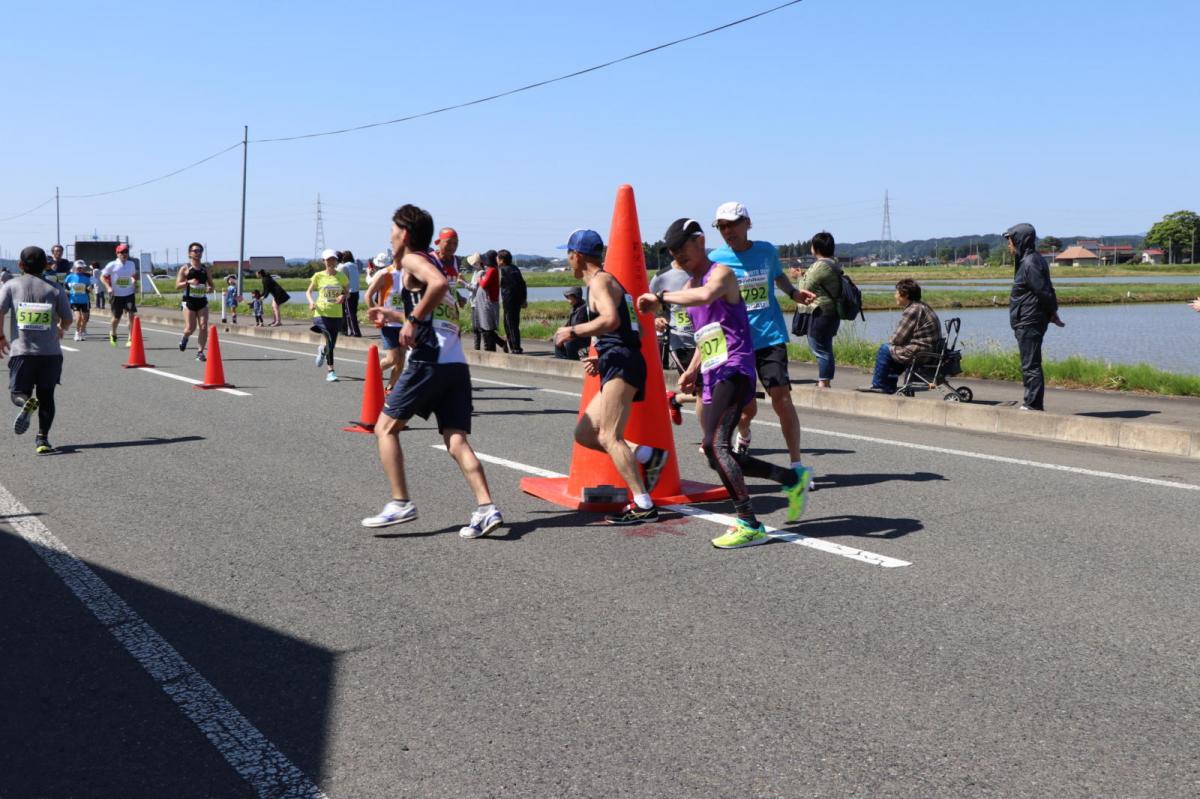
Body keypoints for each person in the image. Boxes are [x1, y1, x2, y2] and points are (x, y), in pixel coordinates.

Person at [637, 219, 811, 548]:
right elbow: (708, 335)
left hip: (736, 368)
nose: (677, 254)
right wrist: (691, 370)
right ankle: (790, 479)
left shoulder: (720, 274)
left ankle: (749, 523)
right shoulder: (692, 280)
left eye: (681, 248)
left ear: (700, 241)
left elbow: (705, 295)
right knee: (714, 449)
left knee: (715, 446)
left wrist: (660, 297)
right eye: (671, 251)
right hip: (714, 370)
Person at [362, 204, 503, 539]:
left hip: (429, 361)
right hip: (455, 364)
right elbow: (439, 314)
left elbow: (437, 286)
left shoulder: (415, 259)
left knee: (385, 429)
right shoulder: (431, 263)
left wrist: (409, 321)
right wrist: (395, 316)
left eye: (392, 231)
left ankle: (400, 502)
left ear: (405, 235)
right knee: (455, 439)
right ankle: (486, 508)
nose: (390, 237)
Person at [551, 229, 668, 525]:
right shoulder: (612, 282)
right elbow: (637, 331)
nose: (568, 262)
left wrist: (572, 330)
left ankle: (643, 504)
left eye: (568, 256)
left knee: (608, 435)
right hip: (620, 360)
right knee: (586, 434)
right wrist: (602, 355)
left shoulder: (600, 282)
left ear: (576, 256)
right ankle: (647, 456)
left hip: (623, 363)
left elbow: (611, 320)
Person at [707, 202, 813, 480]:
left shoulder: (766, 251)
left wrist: (793, 293)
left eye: (732, 224)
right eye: (722, 226)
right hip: (735, 343)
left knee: (782, 397)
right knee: (744, 408)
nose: (727, 231)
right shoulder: (716, 259)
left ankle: (796, 465)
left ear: (748, 223)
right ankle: (742, 435)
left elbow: (777, 275)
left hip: (769, 336)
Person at [0, 246, 72, 455]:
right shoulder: (54, 288)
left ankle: (26, 403)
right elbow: (68, 318)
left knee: (17, 393)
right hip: (50, 354)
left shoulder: (11, 285)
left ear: (21, 265)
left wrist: (1, 337)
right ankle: (42, 439)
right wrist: (61, 328)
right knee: (47, 396)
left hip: (22, 351)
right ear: (46, 266)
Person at [1005, 223, 1064, 411]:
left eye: (1011, 241)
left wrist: (1052, 312)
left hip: (1029, 320)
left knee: (1030, 364)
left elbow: (1044, 291)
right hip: (1028, 319)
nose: (1009, 245)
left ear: (1020, 240)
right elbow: (1046, 290)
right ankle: (1032, 402)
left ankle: (1033, 404)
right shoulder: (1029, 260)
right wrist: (1052, 313)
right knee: (1030, 363)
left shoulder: (1030, 263)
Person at [857, 279, 942, 394]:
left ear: (905, 295)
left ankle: (879, 385)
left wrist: (892, 344)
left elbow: (896, 339)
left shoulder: (912, 310)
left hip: (921, 352)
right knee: (894, 351)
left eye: (896, 293)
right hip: (929, 350)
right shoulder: (921, 306)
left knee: (885, 349)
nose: (895, 295)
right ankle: (888, 386)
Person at [649, 255, 697, 424]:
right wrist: (657, 318)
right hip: (681, 341)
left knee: (716, 390)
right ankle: (711, 440)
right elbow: (648, 305)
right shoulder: (661, 277)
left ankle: (677, 399)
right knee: (705, 391)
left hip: (709, 339)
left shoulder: (705, 269)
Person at [793, 231, 842, 388]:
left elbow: (804, 289)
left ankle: (824, 382)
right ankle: (825, 381)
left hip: (820, 312)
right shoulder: (834, 263)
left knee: (819, 348)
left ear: (816, 248)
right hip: (831, 312)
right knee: (825, 347)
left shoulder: (820, 266)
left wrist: (798, 277)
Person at [364, 251, 409, 392]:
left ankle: (390, 388)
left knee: (401, 359)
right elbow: (368, 295)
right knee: (392, 359)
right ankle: (373, 372)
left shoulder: (411, 275)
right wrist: (377, 313)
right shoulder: (385, 274)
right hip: (388, 323)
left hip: (405, 322)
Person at [306, 249, 349, 382]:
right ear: (323, 261)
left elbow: (348, 293)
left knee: (332, 343)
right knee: (329, 339)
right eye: (328, 259)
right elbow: (308, 292)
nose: (331, 262)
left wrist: (343, 295)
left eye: (333, 259)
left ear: (336, 261)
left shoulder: (341, 276)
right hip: (321, 313)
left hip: (336, 314)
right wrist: (311, 302)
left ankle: (323, 351)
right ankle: (331, 371)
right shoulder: (318, 276)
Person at [176, 242, 214, 361]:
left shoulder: (205, 269)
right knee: (190, 328)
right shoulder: (185, 268)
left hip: (202, 301)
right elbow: (177, 285)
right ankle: (185, 338)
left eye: (200, 251)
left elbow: (212, 285)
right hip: (189, 301)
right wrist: (188, 282)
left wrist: (209, 288)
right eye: (195, 251)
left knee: (203, 326)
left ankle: (200, 352)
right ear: (189, 253)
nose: (198, 253)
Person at [100, 243, 138, 347]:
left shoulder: (131, 264)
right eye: (121, 252)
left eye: (126, 252)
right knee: (116, 318)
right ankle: (113, 332)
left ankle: (130, 337)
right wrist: (108, 287)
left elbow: (133, 276)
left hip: (129, 293)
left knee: (131, 315)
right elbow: (102, 277)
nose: (124, 254)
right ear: (117, 253)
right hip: (116, 295)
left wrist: (134, 281)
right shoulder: (112, 265)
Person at [474, 250, 507, 353]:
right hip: (486, 302)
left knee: (487, 328)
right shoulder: (491, 270)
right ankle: (494, 347)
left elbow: (484, 284)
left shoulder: (492, 270)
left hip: (488, 302)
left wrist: (479, 279)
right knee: (485, 328)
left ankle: (492, 348)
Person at [498, 249, 527, 354]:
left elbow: (511, 285)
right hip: (517, 301)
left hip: (509, 301)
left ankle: (515, 348)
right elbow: (523, 284)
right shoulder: (515, 268)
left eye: (498, 258)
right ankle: (515, 346)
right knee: (513, 324)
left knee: (510, 325)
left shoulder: (504, 270)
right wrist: (524, 299)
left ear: (502, 260)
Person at [554, 286, 590, 360]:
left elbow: (578, 329)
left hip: (583, 339)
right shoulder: (574, 308)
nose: (567, 298)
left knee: (569, 343)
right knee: (558, 338)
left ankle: (569, 360)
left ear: (575, 297)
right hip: (575, 335)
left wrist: (565, 336)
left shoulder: (582, 310)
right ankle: (563, 359)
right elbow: (568, 324)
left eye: (568, 296)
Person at [336, 250, 362, 337]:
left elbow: (344, 280)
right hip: (356, 291)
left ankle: (355, 332)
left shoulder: (344, 266)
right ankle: (355, 331)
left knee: (349, 314)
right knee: (353, 313)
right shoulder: (355, 265)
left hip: (349, 292)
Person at [64, 261, 92, 341]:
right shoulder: (69, 277)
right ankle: (77, 332)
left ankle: (82, 331)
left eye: (82, 268)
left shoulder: (86, 278)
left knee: (85, 318)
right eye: (78, 268)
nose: (80, 269)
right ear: (75, 268)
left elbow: (89, 287)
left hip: (84, 301)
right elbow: (65, 287)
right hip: (74, 300)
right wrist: (67, 291)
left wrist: (89, 288)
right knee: (78, 317)